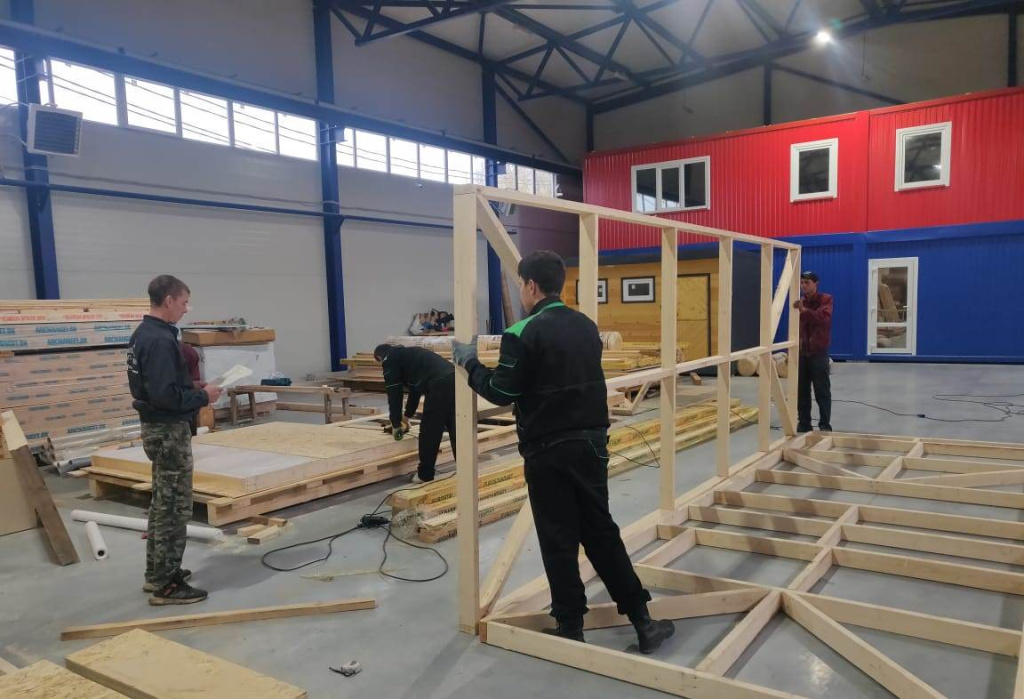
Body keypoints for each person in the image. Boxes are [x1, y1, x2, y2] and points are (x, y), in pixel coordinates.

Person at [450, 251, 675, 654]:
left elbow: (501, 392)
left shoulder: (521, 332)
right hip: (591, 445)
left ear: (531, 286)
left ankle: (570, 628)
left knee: (558, 538)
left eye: (521, 285)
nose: (521, 291)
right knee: (601, 533)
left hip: (547, 450)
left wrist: (470, 364)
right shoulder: (586, 325)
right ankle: (643, 622)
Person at [127, 275, 222, 605]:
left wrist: (193, 388)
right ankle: (167, 585)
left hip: (156, 427)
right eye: (184, 302)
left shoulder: (144, 334)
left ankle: (157, 573)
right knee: (174, 507)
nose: (185, 309)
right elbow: (165, 396)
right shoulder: (160, 340)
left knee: (162, 503)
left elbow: (157, 386)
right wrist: (203, 397)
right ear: (168, 300)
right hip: (168, 430)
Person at [374, 343, 456, 484]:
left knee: (429, 430)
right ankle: (466, 471)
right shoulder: (408, 355)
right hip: (454, 377)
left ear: (380, 358)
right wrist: (406, 417)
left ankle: (424, 475)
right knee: (455, 426)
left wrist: (396, 424)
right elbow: (415, 391)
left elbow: (394, 394)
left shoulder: (389, 360)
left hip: (438, 383)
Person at [793, 271, 833, 433]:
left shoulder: (825, 299)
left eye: (807, 282)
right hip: (802, 353)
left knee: (822, 390)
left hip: (818, 352)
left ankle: (824, 425)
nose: (803, 285)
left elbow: (823, 318)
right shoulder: (800, 302)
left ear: (816, 283)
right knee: (802, 391)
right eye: (802, 282)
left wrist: (804, 311)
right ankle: (804, 423)